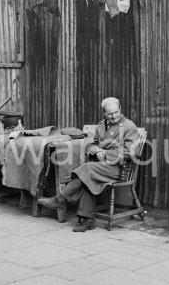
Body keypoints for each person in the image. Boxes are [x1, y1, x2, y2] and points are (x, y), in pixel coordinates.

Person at [38, 97, 139, 232]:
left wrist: (106, 154)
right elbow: (95, 142)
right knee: (87, 177)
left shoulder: (129, 126)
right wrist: (92, 148)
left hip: (118, 168)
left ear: (120, 109)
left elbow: (131, 152)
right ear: (104, 113)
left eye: (115, 112)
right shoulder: (101, 125)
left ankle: (60, 199)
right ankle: (88, 221)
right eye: (109, 113)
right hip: (100, 166)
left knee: (86, 169)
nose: (113, 116)